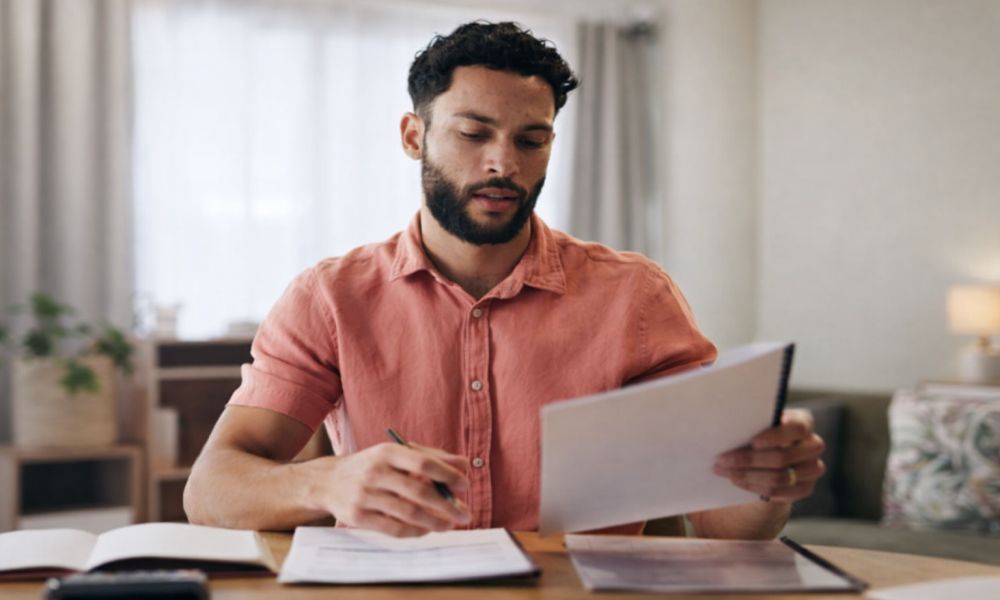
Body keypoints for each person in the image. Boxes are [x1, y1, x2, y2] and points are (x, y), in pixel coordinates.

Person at [184, 21, 825, 539]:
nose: (503, 164)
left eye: (531, 141)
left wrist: (769, 482)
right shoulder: (329, 298)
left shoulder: (635, 297)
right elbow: (211, 490)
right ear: (413, 136)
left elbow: (723, 524)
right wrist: (329, 482)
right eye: (474, 133)